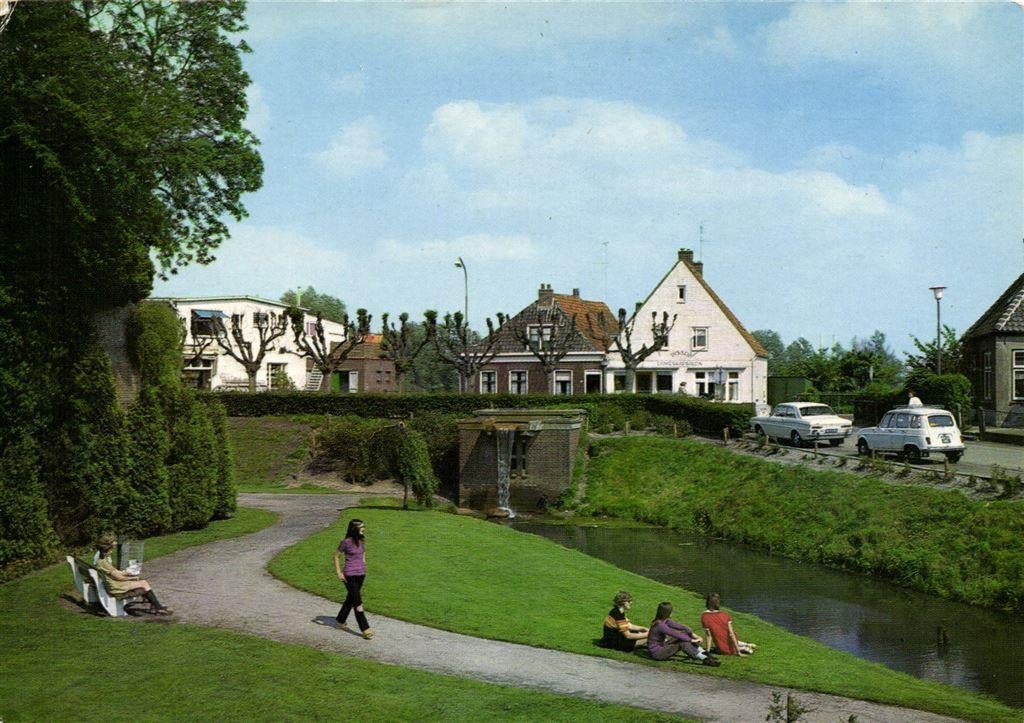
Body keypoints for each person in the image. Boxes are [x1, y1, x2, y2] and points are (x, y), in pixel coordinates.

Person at [93, 533, 172, 615]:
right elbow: (119, 577)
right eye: (111, 549)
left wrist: (125, 572)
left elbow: (115, 573)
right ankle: (157, 607)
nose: (112, 551)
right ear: (107, 548)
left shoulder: (102, 560)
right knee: (144, 584)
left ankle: (155, 606)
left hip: (115, 584)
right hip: (117, 588)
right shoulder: (103, 562)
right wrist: (132, 578)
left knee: (142, 581)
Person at [334, 518, 374, 639]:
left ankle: (340, 620)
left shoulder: (361, 541)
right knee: (358, 602)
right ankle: (365, 628)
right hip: (349, 575)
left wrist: (363, 561)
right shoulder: (345, 542)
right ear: (354, 529)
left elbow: (363, 552)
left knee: (351, 598)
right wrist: (339, 572)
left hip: (361, 574)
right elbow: (336, 557)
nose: (364, 528)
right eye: (362, 526)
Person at [648, 601, 720, 666]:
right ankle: (705, 659)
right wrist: (691, 640)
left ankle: (704, 653)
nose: (672, 613)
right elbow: (675, 634)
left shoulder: (665, 621)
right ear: (667, 613)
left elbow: (680, 626)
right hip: (657, 653)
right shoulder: (660, 625)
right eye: (671, 611)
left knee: (684, 633)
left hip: (662, 646)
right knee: (682, 643)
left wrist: (693, 635)